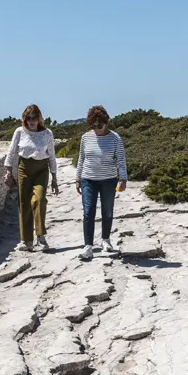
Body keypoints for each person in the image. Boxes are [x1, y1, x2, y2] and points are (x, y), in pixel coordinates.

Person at [4, 104, 59, 251]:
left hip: (41, 169)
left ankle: (40, 237)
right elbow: (12, 152)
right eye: (29, 118)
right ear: (25, 119)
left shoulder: (47, 133)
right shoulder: (20, 132)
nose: (31, 122)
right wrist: (9, 172)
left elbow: (52, 155)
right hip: (24, 169)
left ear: (39, 119)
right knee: (24, 203)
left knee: (39, 200)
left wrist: (54, 177)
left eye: (34, 118)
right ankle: (26, 240)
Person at [74, 105, 127, 260]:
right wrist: (77, 178)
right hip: (88, 179)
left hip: (109, 180)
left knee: (107, 211)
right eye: (94, 126)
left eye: (100, 125)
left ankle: (106, 241)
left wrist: (123, 179)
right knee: (88, 212)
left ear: (106, 122)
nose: (97, 129)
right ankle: (88, 246)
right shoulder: (85, 137)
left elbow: (121, 161)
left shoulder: (115, 138)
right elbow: (81, 159)